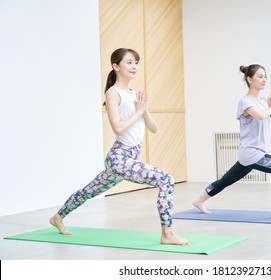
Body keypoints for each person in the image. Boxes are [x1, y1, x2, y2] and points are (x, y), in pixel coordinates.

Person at [50, 48, 191, 245]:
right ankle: (167, 233)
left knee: (88, 191)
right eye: (129, 62)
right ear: (116, 66)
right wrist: (137, 111)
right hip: (119, 158)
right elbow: (117, 128)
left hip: (128, 158)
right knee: (166, 180)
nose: (134, 66)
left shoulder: (134, 94)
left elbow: (154, 128)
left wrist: (144, 111)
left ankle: (58, 217)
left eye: (136, 62)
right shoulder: (113, 93)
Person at [193, 64, 271, 219]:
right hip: (252, 152)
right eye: (260, 76)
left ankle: (199, 200)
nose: (264, 79)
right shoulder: (245, 101)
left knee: (226, 180)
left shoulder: (264, 101)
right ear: (249, 79)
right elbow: (260, 116)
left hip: (252, 152)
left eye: (265, 76)